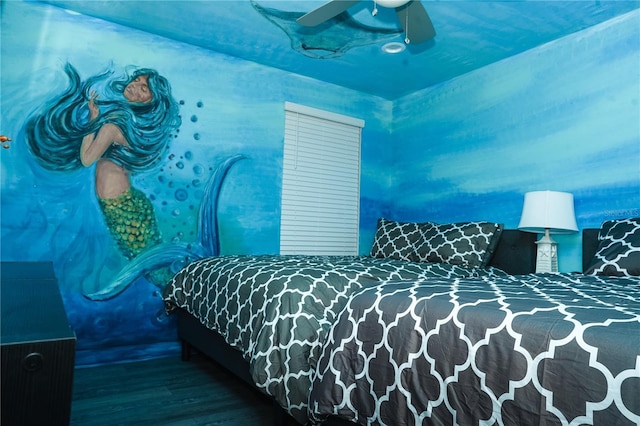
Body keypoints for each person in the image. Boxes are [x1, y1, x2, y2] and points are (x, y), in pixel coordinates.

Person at [26, 63, 182, 260]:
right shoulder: (132, 127)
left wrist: (93, 120)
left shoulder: (113, 127)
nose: (134, 86)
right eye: (136, 80)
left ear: (151, 101)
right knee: (149, 260)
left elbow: (86, 159)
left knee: (148, 264)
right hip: (128, 202)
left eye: (144, 89)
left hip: (122, 206)